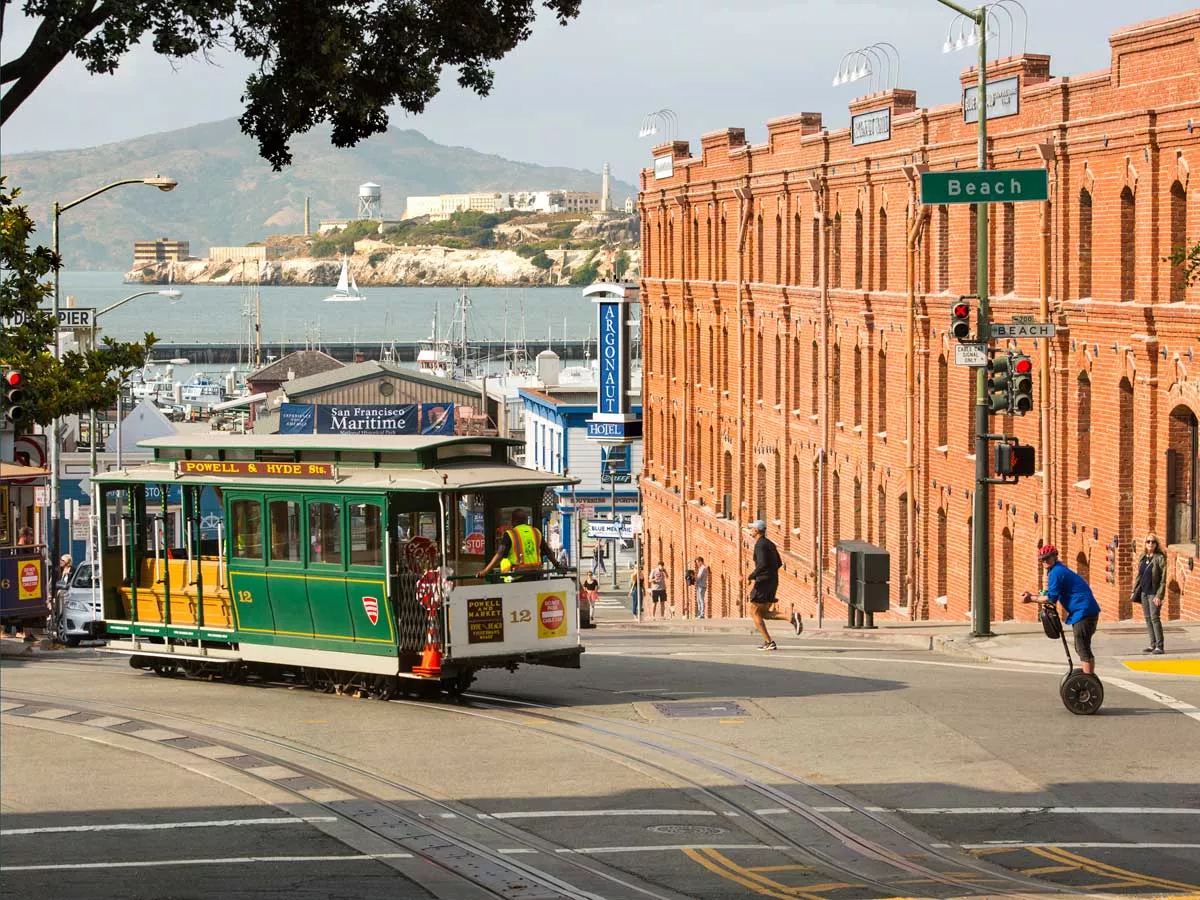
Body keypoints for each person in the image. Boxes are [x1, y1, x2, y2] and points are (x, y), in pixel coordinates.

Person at [1022, 544, 1101, 675]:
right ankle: (1088, 678)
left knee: (1082, 648)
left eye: (1047, 558)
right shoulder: (1058, 570)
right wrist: (1038, 596)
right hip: (1084, 612)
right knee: (1081, 646)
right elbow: (1053, 593)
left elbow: (1052, 598)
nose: (1045, 561)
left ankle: (1089, 680)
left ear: (1054, 556)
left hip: (1084, 613)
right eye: (1042, 559)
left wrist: (1031, 598)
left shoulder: (1056, 572)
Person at [477, 509, 562, 579]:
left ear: (513, 521)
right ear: (526, 520)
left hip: (518, 578)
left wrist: (485, 571)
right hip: (536, 577)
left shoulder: (510, 534)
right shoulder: (536, 532)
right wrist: (558, 565)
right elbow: (548, 552)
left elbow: (499, 555)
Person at [747, 520, 782, 650]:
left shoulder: (759, 545)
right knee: (764, 612)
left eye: (752, 529)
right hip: (773, 581)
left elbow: (762, 564)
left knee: (754, 612)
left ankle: (769, 641)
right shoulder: (770, 544)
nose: (750, 530)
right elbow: (778, 563)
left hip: (763, 582)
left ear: (756, 531)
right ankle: (790, 617)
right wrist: (771, 574)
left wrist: (752, 576)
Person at [1130, 533, 1167, 654]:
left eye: (1153, 542)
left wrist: (1159, 595)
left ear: (1157, 544)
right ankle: (1152, 644)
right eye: (1148, 542)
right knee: (1147, 618)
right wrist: (1134, 590)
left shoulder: (1160, 558)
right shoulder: (1143, 557)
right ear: (1145, 544)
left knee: (1155, 618)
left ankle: (1159, 646)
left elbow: (1163, 579)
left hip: (1154, 592)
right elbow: (1139, 576)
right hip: (1144, 592)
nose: (1150, 544)